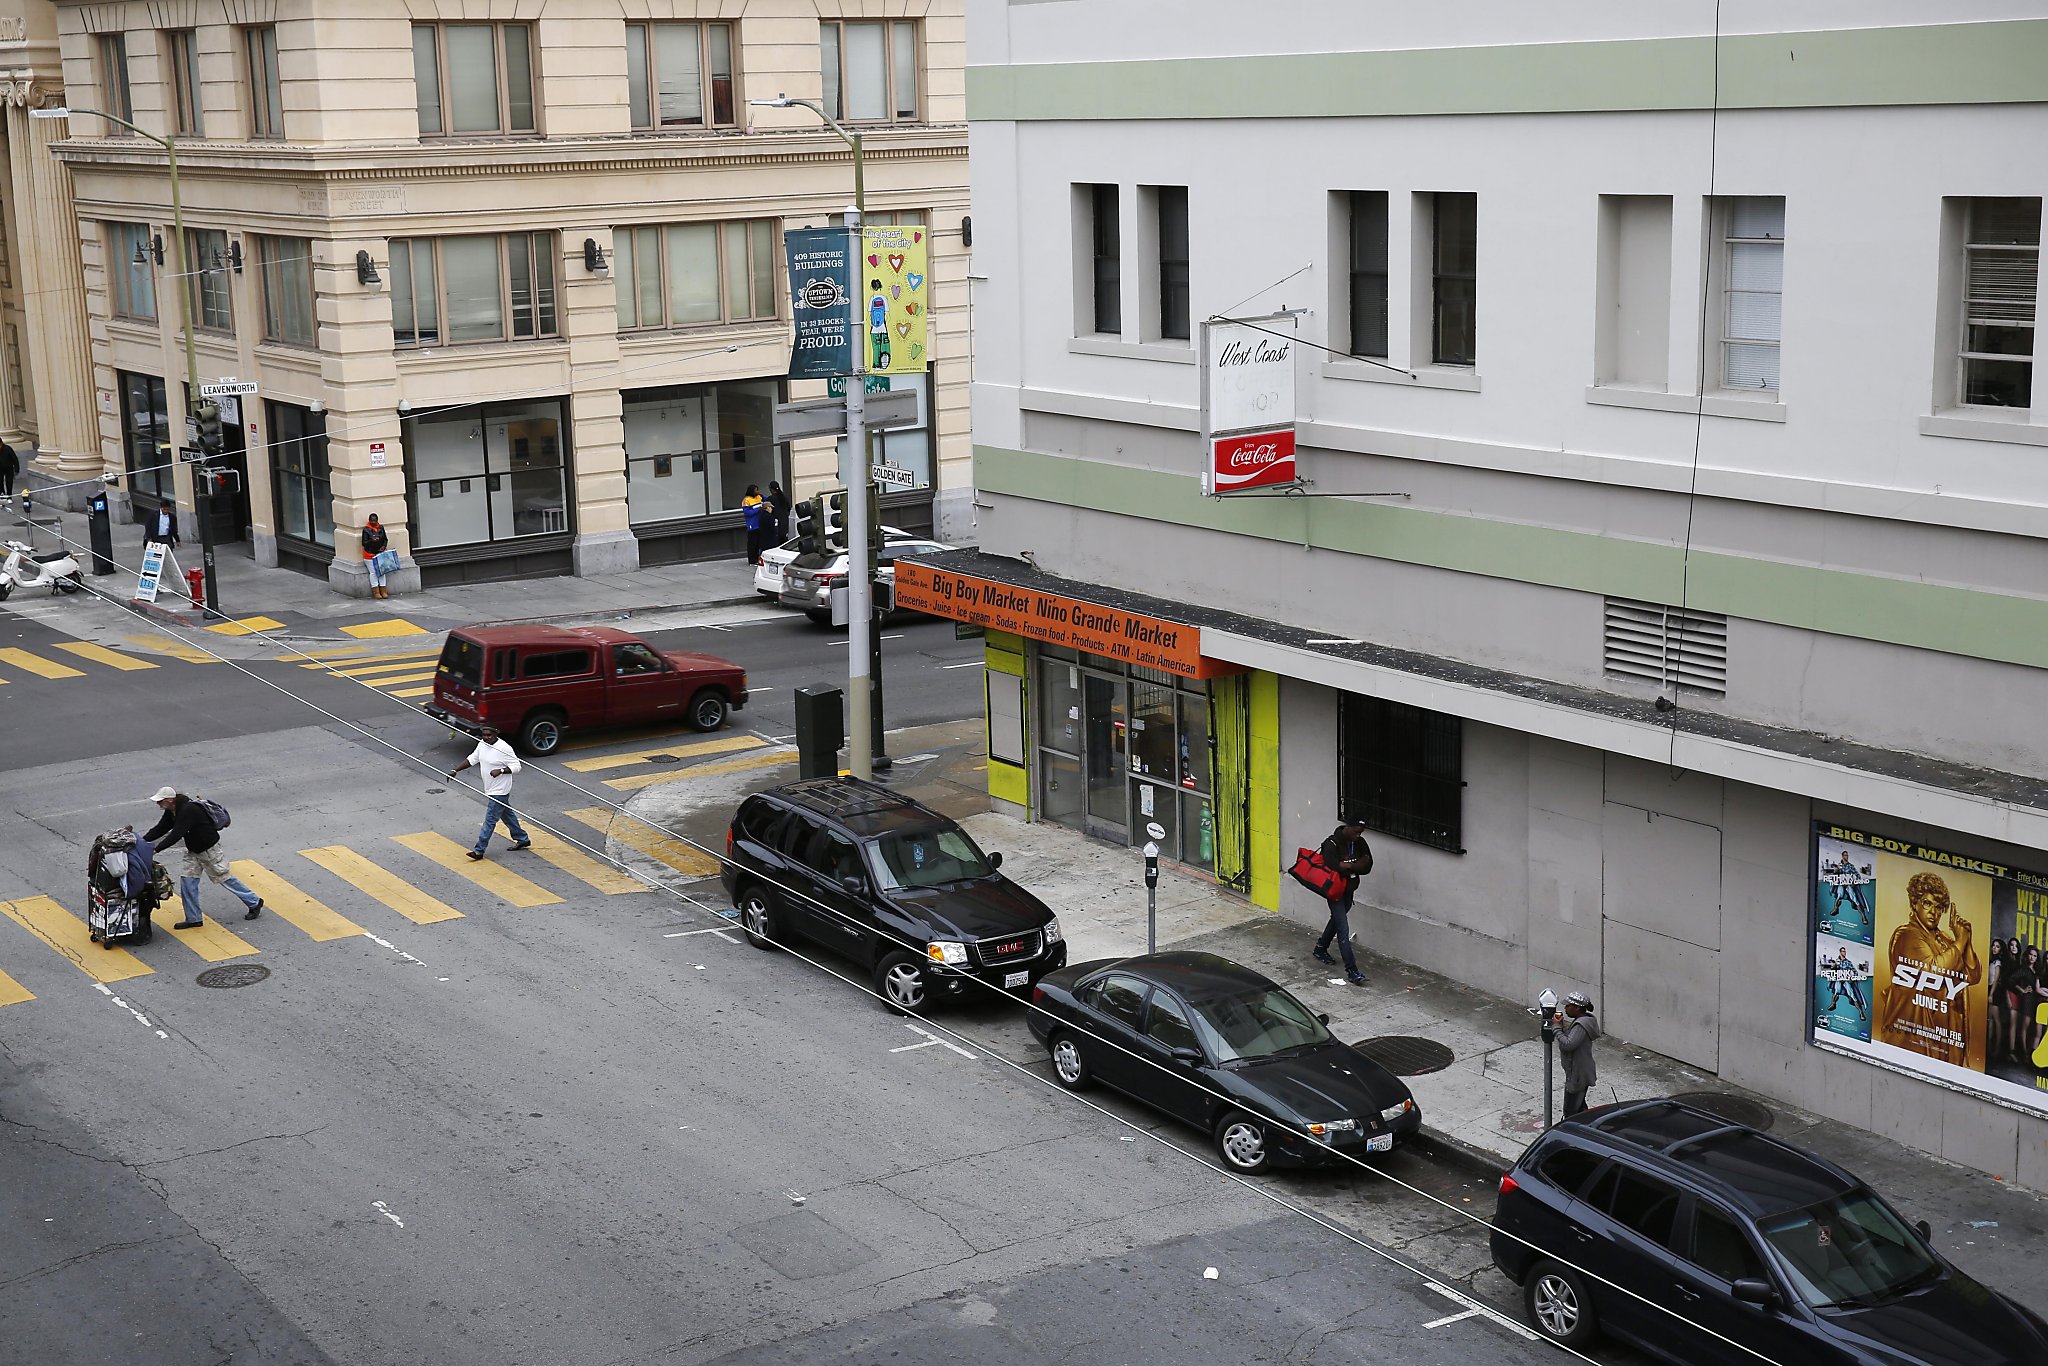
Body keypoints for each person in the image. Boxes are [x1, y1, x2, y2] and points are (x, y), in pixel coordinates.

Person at [1878, 871, 1981, 1067]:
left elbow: (1973, 976)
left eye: (1938, 907)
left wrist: (1966, 941)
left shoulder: (1945, 940)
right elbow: (1932, 970)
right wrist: (1960, 942)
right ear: (1914, 903)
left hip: (1944, 1041)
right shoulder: (1907, 935)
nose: (1933, 912)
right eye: (1927, 903)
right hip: (1912, 1041)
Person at [143, 787, 264, 927]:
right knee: (188, 882)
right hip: (194, 851)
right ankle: (194, 918)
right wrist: (140, 841)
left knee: (224, 878)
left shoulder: (188, 810)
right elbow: (160, 828)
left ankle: (254, 902)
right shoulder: (172, 811)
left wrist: (156, 849)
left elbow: (176, 834)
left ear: (170, 800)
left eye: (160, 802)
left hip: (209, 850)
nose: (158, 805)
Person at [450, 724, 530, 861]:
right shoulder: (482, 744)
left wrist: (501, 771)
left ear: (496, 734)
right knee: (507, 815)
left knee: (490, 820)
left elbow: (517, 766)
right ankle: (522, 838)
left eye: (489, 735)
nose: (486, 738)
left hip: (500, 789)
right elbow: (472, 759)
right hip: (490, 788)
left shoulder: (504, 748)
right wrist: (455, 770)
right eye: (484, 735)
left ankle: (479, 850)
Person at [1310, 817, 1373, 986]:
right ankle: (1352, 971)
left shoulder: (1359, 843)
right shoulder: (1331, 844)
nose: (1359, 836)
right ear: (1348, 827)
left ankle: (1321, 948)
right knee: (1343, 930)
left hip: (1349, 890)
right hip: (1335, 892)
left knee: (1337, 921)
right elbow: (1332, 867)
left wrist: (1348, 866)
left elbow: (1368, 865)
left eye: (1361, 833)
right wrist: (1354, 865)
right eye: (1356, 832)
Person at [1554, 991, 1601, 1115]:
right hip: (1578, 1072)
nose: (1565, 1008)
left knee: (1570, 1112)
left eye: (1568, 1006)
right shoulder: (1581, 1021)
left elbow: (1568, 1045)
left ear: (1577, 1008)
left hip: (1578, 1075)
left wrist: (1557, 1028)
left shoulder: (1581, 1025)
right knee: (1579, 1107)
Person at [361, 514, 391, 600]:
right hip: (369, 554)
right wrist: (371, 540)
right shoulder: (366, 530)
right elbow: (364, 543)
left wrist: (383, 547)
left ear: (377, 520)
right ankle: (376, 591)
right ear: (369, 521)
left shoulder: (381, 528)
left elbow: (385, 539)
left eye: (374, 520)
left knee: (382, 571)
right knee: (373, 572)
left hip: (379, 553)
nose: (373, 522)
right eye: (371, 521)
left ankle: (383, 590)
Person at [741, 484, 765, 565]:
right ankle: (752, 560)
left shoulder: (759, 497)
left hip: (760, 523)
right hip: (752, 524)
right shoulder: (746, 500)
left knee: (759, 543)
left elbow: (766, 500)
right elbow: (747, 513)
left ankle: (758, 558)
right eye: (756, 490)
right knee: (752, 543)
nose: (757, 492)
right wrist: (758, 510)